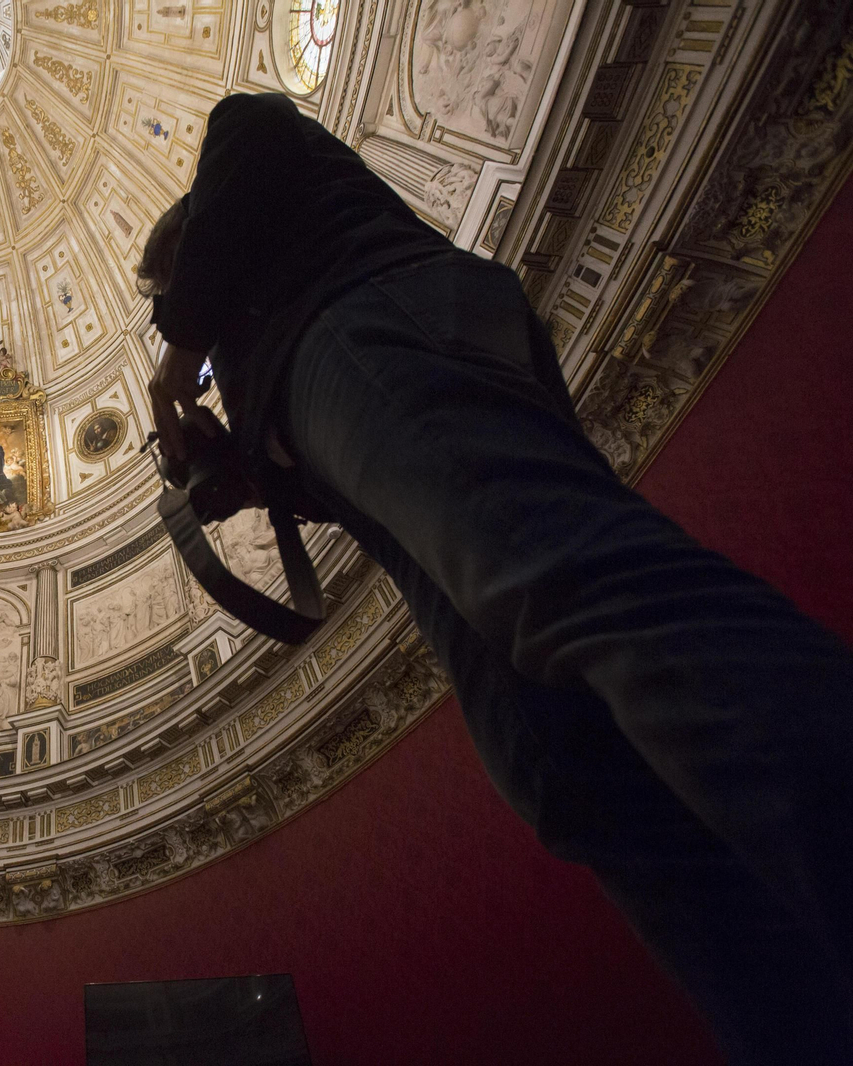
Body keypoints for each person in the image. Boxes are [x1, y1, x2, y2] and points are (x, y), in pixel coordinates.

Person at [142, 92, 853, 1060]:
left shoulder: (253, 164)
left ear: (194, 243)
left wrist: (174, 367)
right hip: (369, 388)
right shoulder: (266, 319)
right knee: (565, 777)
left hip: (373, 321)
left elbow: (255, 126)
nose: (170, 320)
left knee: (586, 595)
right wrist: (252, 467)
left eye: (167, 291)